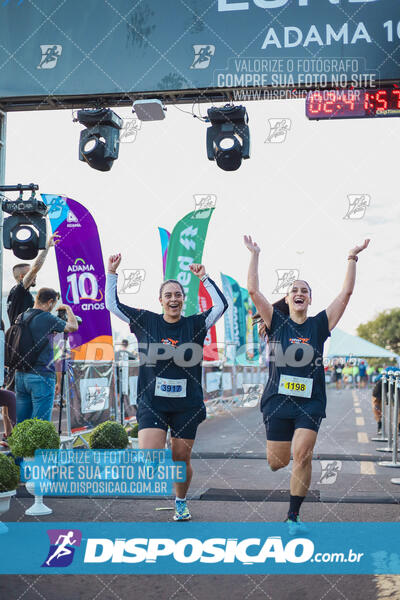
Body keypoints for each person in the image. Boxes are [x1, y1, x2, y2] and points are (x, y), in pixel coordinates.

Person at [244, 234, 369, 529]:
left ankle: (293, 515)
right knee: (278, 461)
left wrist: (351, 256)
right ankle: (289, 466)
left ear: (310, 299)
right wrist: (255, 254)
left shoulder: (319, 324)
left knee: (302, 455)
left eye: (305, 290)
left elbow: (346, 294)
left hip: (310, 403)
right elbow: (252, 290)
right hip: (277, 401)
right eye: (294, 290)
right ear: (288, 299)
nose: (299, 293)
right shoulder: (277, 322)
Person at [105, 253, 227, 521]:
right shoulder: (145, 320)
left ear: (184, 299)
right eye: (168, 295)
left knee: (181, 459)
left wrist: (204, 277)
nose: (173, 299)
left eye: (178, 295)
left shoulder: (196, 324)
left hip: (187, 404)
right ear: (160, 300)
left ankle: (181, 502)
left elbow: (221, 306)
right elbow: (112, 305)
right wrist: (112, 273)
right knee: (149, 459)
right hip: (153, 401)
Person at [15, 288, 78, 423]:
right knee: (40, 425)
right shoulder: (47, 318)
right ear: (50, 302)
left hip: (20, 375)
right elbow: (73, 326)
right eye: (54, 304)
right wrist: (68, 308)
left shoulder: (21, 316)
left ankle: (23, 445)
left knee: (22, 424)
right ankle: (38, 445)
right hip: (41, 375)